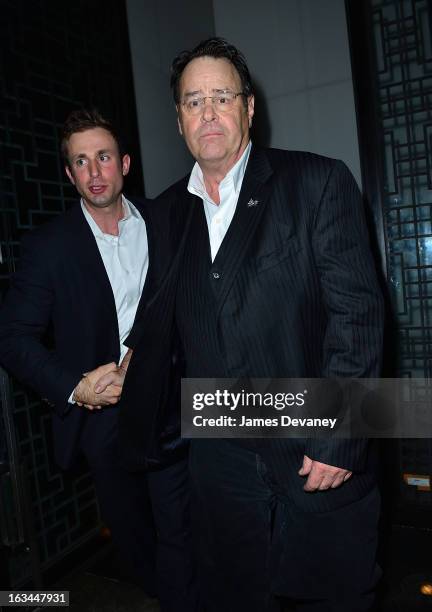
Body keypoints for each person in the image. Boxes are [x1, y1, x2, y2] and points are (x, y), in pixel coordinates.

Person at [104, 38, 385, 612]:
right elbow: (159, 315)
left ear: (249, 109)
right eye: (192, 101)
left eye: (221, 96)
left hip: (314, 448)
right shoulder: (166, 214)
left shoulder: (317, 183)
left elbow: (357, 315)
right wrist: (120, 366)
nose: (207, 112)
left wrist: (340, 438)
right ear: (179, 121)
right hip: (220, 466)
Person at [0, 109, 197, 612]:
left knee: (182, 526)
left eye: (103, 157)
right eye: (81, 161)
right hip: (102, 421)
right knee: (135, 538)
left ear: (124, 163)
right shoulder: (48, 247)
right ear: (69, 173)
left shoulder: (166, 221)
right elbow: (13, 338)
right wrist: (75, 386)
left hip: (172, 403)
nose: (94, 172)